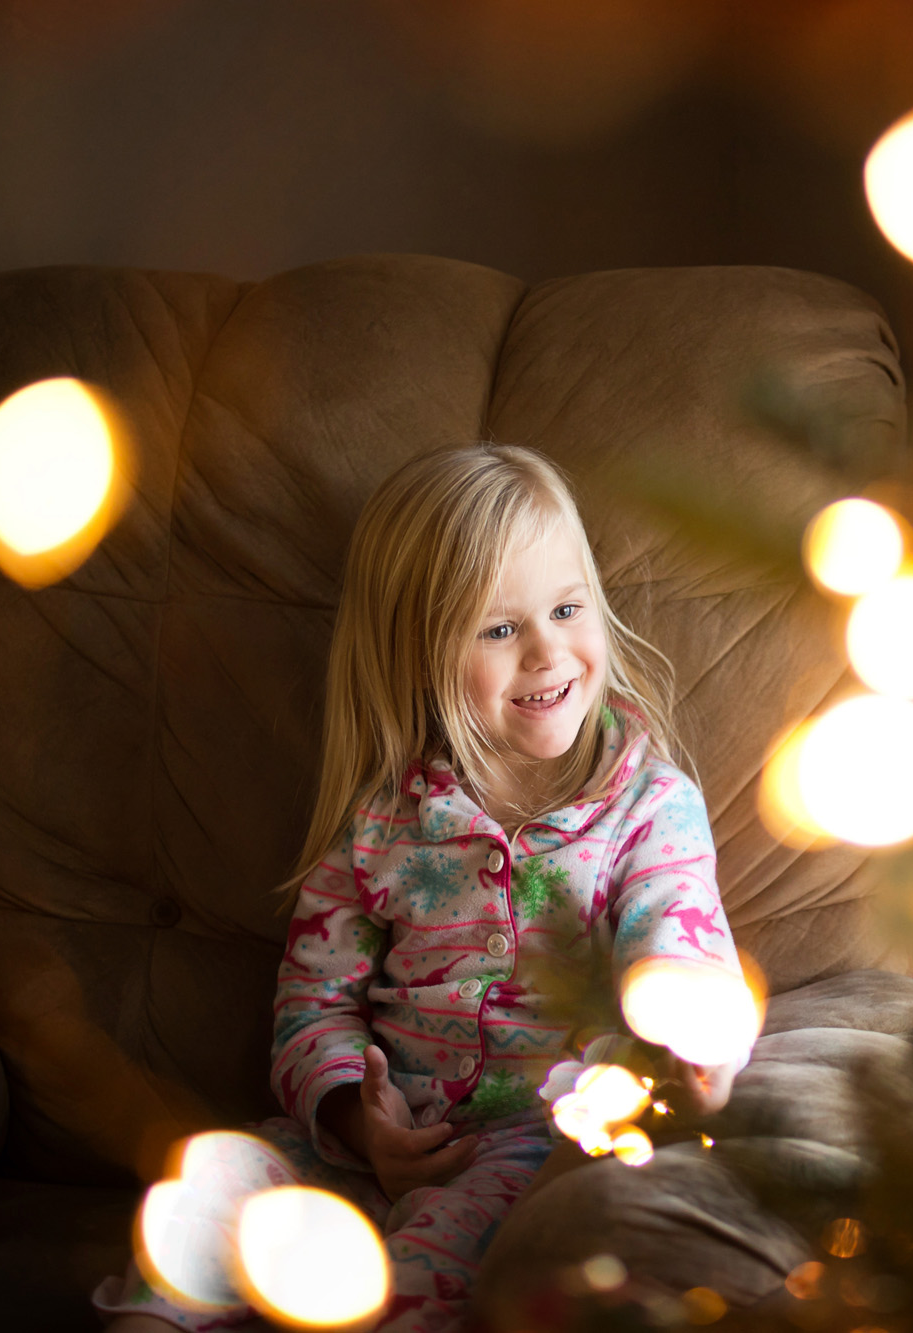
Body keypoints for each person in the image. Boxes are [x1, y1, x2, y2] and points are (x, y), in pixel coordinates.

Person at [95, 443, 748, 1332]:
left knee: (429, 1257)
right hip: (365, 1137)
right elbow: (311, 1001)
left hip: (529, 1143)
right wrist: (356, 1120)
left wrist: (683, 1036)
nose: (549, 651)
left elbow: (676, 942)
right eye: (499, 628)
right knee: (208, 1190)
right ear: (421, 654)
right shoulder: (385, 818)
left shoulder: (647, 807)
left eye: (566, 607)